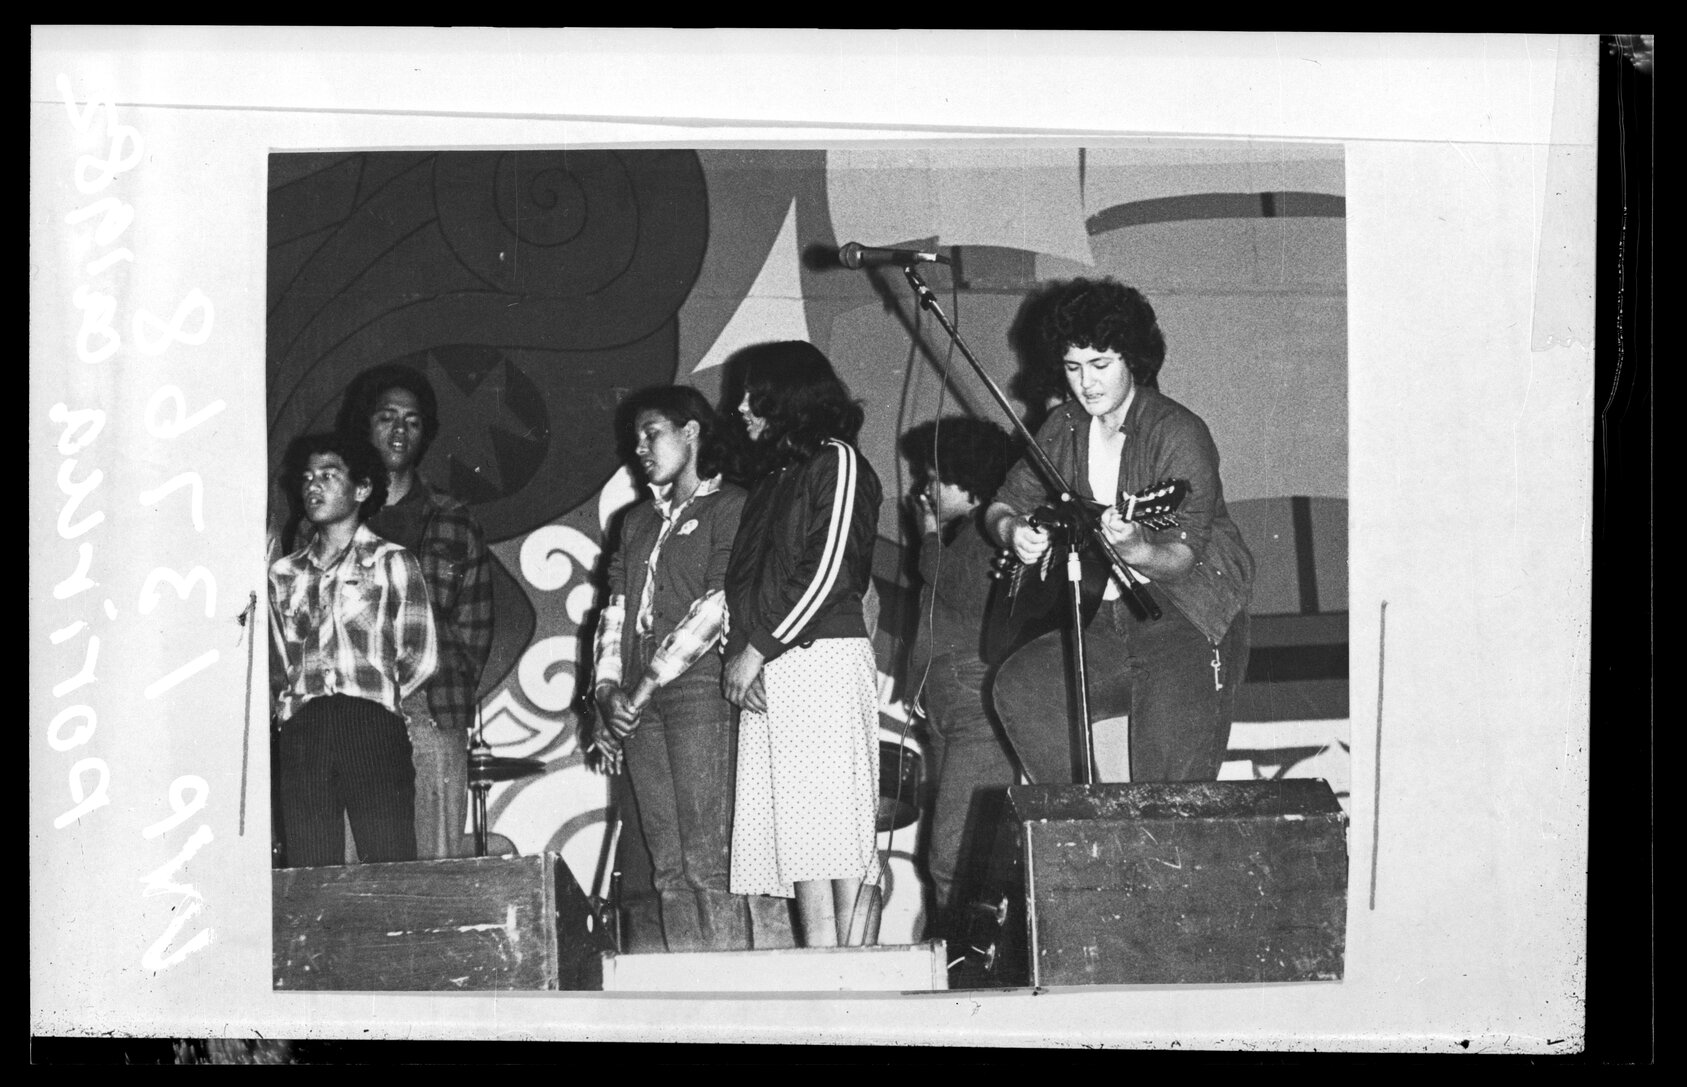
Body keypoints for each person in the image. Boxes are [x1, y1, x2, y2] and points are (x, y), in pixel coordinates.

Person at [986, 278, 1254, 785]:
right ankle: (1082, 827)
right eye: (1072, 367)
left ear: (1133, 360)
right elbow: (1002, 505)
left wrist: (1136, 547)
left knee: (1168, 796)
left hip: (1188, 616)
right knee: (1021, 685)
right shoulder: (1062, 426)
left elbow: (1181, 557)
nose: (1085, 383)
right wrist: (1012, 529)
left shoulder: (1178, 432)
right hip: (1105, 618)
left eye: (1100, 365)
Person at [721, 341, 884, 948]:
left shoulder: (837, 462)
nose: (739, 406)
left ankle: (860, 974)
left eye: (752, 393)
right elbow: (744, 580)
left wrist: (756, 649)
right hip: (775, 664)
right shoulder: (775, 476)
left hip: (823, 662)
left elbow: (827, 571)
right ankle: (822, 965)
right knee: (803, 840)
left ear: (789, 396)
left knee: (840, 833)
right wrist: (746, 654)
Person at [589, 386, 752, 952]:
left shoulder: (731, 505)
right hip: (639, 701)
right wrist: (607, 692)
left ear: (691, 431)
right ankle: (691, 997)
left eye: (650, 432)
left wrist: (643, 685)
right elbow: (614, 608)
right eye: (636, 436)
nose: (638, 446)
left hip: (698, 693)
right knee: (667, 868)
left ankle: (733, 1001)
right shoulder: (634, 521)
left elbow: (718, 602)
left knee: (710, 862)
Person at [331, 364, 495, 860]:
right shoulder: (332, 516)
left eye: (413, 421)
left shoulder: (452, 519)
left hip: (429, 714)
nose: (399, 430)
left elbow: (476, 626)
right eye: (387, 417)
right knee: (352, 876)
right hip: (349, 716)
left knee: (433, 875)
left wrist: (433, 685)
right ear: (366, 426)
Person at [269, 432, 439, 867]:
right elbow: (281, 657)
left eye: (328, 475)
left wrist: (375, 697)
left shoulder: (393, 562)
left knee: (389, 865)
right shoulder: (283, 574)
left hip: (371, 724)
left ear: (362, 489)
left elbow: (420, 655)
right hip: (304, 729)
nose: (313, 485)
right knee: (309, 869)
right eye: (307, 477)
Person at [899, 417, 1022, 941]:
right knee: (952, 853)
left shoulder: (984, 539)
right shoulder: (958, 541)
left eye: (933, 478)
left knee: (955, 853)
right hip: (949, 711)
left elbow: (966, 592)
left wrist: (927, 539)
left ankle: (969, 965)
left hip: (977, 708)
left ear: (967, 481)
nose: (923, 491)